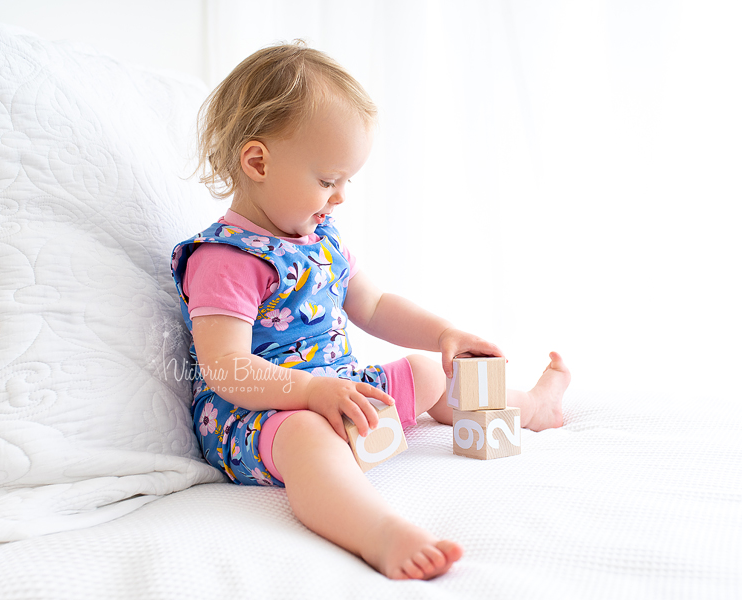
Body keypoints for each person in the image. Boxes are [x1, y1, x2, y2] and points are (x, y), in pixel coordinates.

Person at [170, 42, 570, 581]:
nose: (338, 199)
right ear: (258, 161)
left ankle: (528, 408)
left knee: (429, 371)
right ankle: (376, 531)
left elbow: (374, 304)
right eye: (328, 180)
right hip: (259, 415)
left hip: (340, 390)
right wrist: (310, 393)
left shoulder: (321, 237)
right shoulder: (226, 259)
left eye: (346, 182)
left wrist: (444, 333)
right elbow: (226, 369)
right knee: (309, 440)